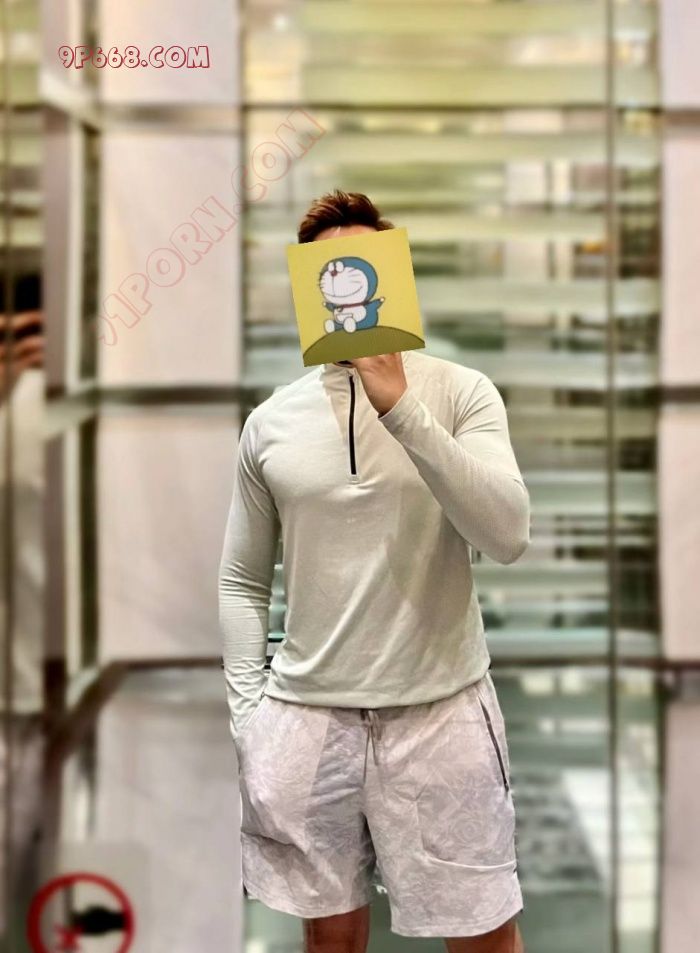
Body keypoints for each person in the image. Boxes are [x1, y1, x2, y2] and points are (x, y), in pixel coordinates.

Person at [218, 189, 530, 953]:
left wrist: (402, 408)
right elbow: (241, 580)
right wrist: (250, 717)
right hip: (307, 715)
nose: (344, 286)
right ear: (309, 290)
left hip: (441, 710)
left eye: (361, 265)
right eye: (325, 272)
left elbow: (507, 533)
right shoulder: (272, 422)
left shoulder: (460, 392)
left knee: (484, 936)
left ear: (392, 276)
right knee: (329, 940)